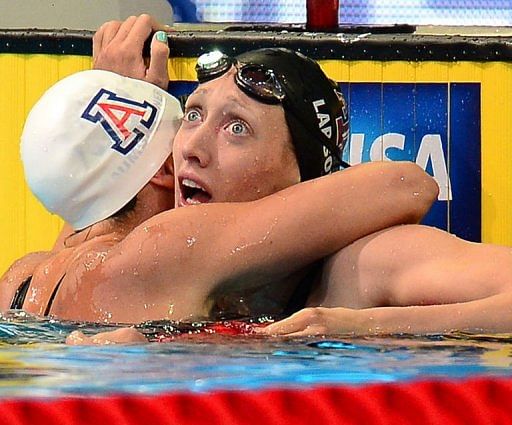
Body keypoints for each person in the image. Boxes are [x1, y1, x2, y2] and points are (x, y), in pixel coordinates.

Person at [0, 34, 436, 325]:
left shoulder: (21, 280)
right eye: (189, 119)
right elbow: (409, 185)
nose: (190, 147)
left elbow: (90, 200)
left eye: (235, 128)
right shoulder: (168, 246)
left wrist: (113, 97)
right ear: (163, 168)